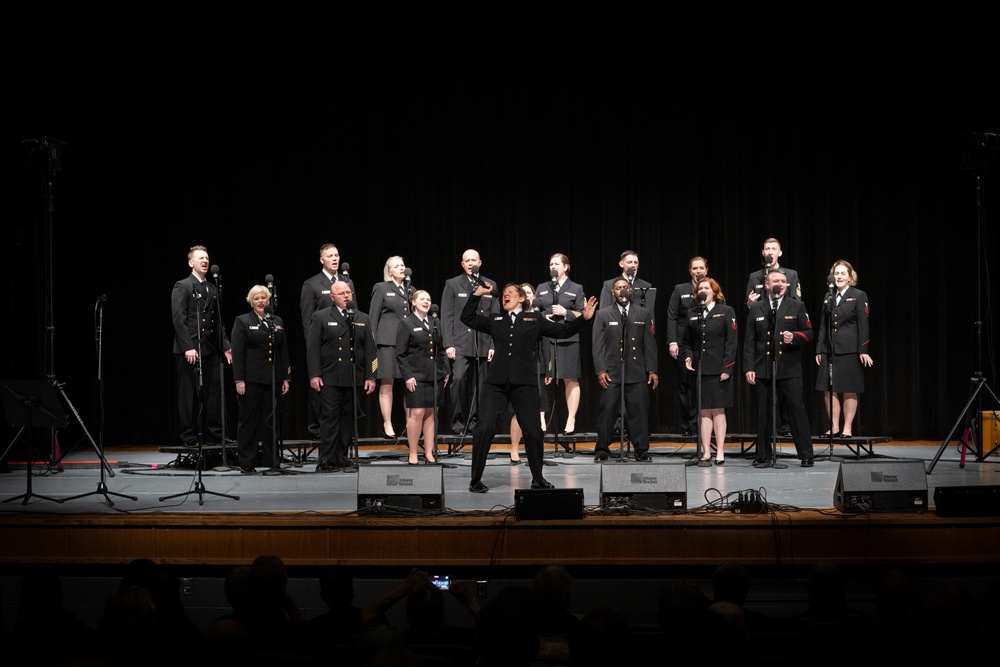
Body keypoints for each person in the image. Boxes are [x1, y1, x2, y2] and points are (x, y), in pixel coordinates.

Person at [462, 282, 597, 492]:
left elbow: (564, 331)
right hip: (496, 383)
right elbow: (467, 318)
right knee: (484, 428)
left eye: (510, 293)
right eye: (503, 293)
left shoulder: (534, 319)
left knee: (533, 431)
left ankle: (538, 478)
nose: (505, 295)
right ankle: (475, 480)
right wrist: (476, 295)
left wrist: (584, 319)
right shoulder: (495, 319)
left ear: (522, 298)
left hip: (524, 383)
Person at [744, 267, 815, 468]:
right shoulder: (757, 308)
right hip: (763, 367)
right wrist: (749, 367)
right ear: (767, 285)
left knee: (796, 410)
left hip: (789, 367)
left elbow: (809, 332)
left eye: (783, 282)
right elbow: (749, 341)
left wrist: (795, 338)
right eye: (776, 281)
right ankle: (763, 454)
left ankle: (806, 454)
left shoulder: (797, 306)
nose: (780, 285)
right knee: (764, 411)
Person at [307, 279, 377, 472]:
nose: (347, 296)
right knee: (329, 418)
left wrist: (371, 376)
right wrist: (314, 374)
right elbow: (312, 349)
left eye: (348, 293)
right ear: (332, 297)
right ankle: (327, 458)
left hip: (355, 376)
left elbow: (371, 350)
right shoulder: (321, 316)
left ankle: (341, 457)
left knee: (348, 419)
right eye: (342, 293)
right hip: (330, 376)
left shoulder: (362, 317)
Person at [592, 278, 659, 462]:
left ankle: (641, 451)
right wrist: (600, 370)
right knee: (607, 412)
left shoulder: (643, 313)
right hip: (612, 372)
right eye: (618, 288)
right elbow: (597, 346)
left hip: (636, 371)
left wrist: (652, 369)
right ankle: (602, 450)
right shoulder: (603, 314)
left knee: (639, 413)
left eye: (625, 287)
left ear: (631, 291)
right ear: (613, 292)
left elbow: (649, 345)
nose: (622, 290)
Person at [171, 245, 232, 447]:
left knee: (214, 392)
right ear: (191, 262)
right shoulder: (183, 285)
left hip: (209, 348)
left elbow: (218, 321)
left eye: (207, 258)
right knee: (188, 395)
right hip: (189, 347)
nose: (205, 261)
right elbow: (179, 319)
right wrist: (187, 346)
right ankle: (187, 436)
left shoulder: (212, 288)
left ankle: (216, 435)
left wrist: (225, 345)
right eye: (201, 258)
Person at [231, 285, 291, 474]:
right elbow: (238, 353)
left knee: (270, 421)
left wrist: (286, 377)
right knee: (248, 421)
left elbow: (283, 352)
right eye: (257, 298)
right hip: (250, 380)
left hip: (272, 379)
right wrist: (239, 380)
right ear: (251, 301)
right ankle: (246, 462)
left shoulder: (276, 320)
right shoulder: (242, 321)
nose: (261, 301)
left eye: (264, 298)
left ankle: (270, 460)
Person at [745, 238, 801, 437]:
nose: (770, 251)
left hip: (785, 333)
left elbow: (796, 300)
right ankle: (767, 437)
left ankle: (786, 425)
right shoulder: (755, 276)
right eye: (767, 248)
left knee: (789, 391)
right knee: (767, 396)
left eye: (773, 249)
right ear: (763, 252)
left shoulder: (791, 274)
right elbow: (750, 305)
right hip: (764, 335)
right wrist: (751, 304)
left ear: (780, 252)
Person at [300, 243, 355, 439]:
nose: (335, 259)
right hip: (323, 346)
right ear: (322, 259)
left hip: (344, 347)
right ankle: (317, 430)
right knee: (320, 388)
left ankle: (343, 432)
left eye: (337, 255)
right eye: (330, 255)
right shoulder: (312, 284)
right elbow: (307, 320)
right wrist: (311, 349)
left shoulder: (347, 282)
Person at [440, 249, 499, 436]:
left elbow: (494, 318)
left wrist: (493, 345)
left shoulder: (490, 284)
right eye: (467, 260)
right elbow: (447, 316)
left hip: (482, 341)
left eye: (473, 260)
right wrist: (448, 343)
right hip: (460, 342)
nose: (470, 263)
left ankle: (475, 423)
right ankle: (457, 422)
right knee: (458, 380)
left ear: (480, 263)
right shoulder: (452, 284)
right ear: (462, 264)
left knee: (480, 385)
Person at [814, 260, 873, 438]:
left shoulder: (859, 295)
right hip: (829, 349)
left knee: (849, 388)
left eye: (843, 274)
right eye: (836, 273)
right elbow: (823, 325)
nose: (839, 276)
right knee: (828, 388)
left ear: (850, 277)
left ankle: (847, 428)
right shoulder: (828, 296)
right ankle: (834, 427)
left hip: (849, 349)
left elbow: (863, 324)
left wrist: (863, 350)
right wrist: (819, 349)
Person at [682, 277, 737, 465]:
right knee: (704, 411)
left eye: (707, 287)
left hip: (719, 368)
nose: (703, 290)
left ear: (714, 291)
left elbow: (731, 342)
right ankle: (706, 452)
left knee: (718, 410)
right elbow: (687, 341)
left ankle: (720, 451)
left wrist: (727, 368)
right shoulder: (692, 313)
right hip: (701, 368)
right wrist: (688, 356)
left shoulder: (726, 311)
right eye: (700, 288)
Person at [395, 289, 451, 465]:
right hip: (416, 375)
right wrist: (407, 376)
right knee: (417, 412)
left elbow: (441, 349)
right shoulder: (406, 323)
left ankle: (428, 452)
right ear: (414, 302)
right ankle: (412, 452)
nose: (426, 302)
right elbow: (401, 354)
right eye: (422, 299)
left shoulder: (435, 322)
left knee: (431, 413)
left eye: (428, 299)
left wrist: (445, 371)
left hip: (435, 375)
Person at [535, 253, 587, 436]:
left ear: (566, 267)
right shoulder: (542, 288)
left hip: (568, 337)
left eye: (556, 264)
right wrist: (543, 317)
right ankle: (541, 419)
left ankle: (570, 419)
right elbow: (534, 310)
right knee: (543, 378)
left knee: (570, 378)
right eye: (551, 264)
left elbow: (584, 314)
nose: (553, 267)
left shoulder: (576, 288)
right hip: (546, 338)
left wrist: (566, 312)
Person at [666, 256, 708, 436]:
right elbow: (672, 316)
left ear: (706, 270)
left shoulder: (711, 288)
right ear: (690, 271)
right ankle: (688, 426)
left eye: (701, 268)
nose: (698, 271)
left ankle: (703, 426)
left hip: (705, 342)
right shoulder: (680, 289)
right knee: (685, 384)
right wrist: (672, 341)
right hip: (684, 343)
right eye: (695, 268)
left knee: (704, 384)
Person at [369, 255, 410, 438]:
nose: (402, 268)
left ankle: (411, 425)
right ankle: (387, 424)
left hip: (408, 343)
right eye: (397, 266)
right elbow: (373, 318)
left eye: (403, 265)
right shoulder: (382, 287)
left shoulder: (411, 290)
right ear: (390, 270)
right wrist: (373, 342)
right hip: (387, 342)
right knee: (387, 381)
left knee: (410, 383)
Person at [508, 283, 545, 465]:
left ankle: (535, 452)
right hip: (518, 366)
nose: (528, 295)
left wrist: (548, 369)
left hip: (537, 364)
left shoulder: (538, 316)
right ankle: (514, 447)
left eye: (530, 292)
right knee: (518, 411)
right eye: (525, 292)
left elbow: (545, 344)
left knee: (536, 411)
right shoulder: (512, 317)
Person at [598, 250, 655, 321]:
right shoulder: (609, 284)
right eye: (629, 262)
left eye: (636, 262)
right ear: (621, 264)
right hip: (615, 327)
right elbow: (603, 311)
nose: (633, 265)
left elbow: (650, 314)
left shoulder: (646, 286)